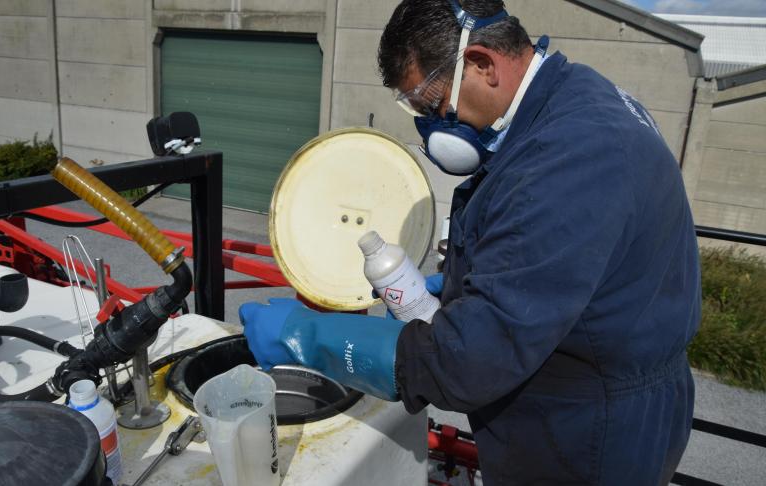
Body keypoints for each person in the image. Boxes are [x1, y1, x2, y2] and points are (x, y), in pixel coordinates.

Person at [239, 1, 701, 484]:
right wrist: (461, 288)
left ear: (482, 63)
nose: (434, 128)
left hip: (586, 436)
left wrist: (307, 337)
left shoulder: (568, 159)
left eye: (433, 106)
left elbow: (467, 362)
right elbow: (557, 271)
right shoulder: (576, 96)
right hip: (607, 396)